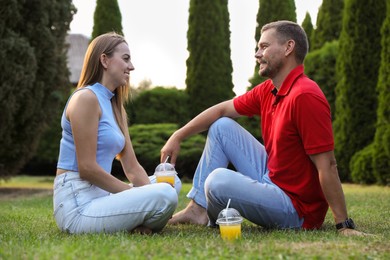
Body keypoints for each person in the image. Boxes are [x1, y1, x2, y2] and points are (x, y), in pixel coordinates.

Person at [161, 21, 365, 236]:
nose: (257, 54)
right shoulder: (270, 89)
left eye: (264, 47)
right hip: (272, 178)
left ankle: (205, 206)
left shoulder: (305, 96)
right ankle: (197, 210)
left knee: (218, 180)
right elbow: (222, 110)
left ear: (288, 48)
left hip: (296, 209)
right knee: (222, 127)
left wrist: (343, 225)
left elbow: (328, 165)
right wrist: (178, 135)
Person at [54, 32, 181, 234]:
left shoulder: (115, 106)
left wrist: (147, 195)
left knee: (171, 182)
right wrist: (139, 195)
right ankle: (141, 223)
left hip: (102, 196)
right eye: (126, 59)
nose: (131, 67)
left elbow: (131, 167)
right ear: (104, 60)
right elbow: (86, 168)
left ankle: (139, 223)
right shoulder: (85, 98)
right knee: (165, 193)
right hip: (77, 205)